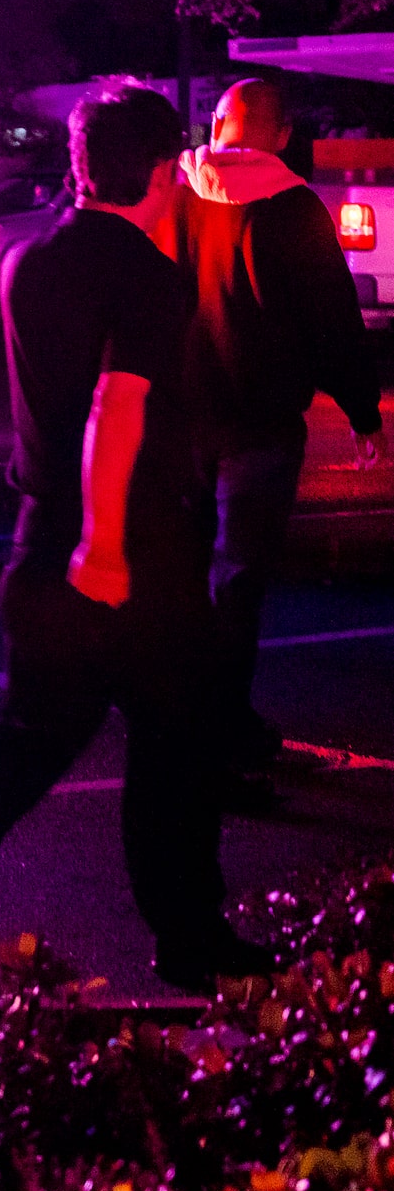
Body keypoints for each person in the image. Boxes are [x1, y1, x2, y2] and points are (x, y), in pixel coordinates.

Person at [0, 83, 272, 1004]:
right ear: (155, 169)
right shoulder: (143, 274)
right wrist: (105, 548)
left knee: (23, 742)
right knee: (177, 743)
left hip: (39, 539)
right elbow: (119, 403)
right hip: (128, 554)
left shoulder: (29, 259)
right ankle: (189, 938)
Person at [157, 77, 384, 783]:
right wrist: (361, 410)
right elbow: (330, 319)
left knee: (183, 578)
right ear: (281, 134)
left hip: (179, 420)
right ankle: (226, 729)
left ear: (217, 124)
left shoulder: (172, 199)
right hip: (258, 424)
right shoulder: (292, 210)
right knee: (237, 582)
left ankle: (178, 721)